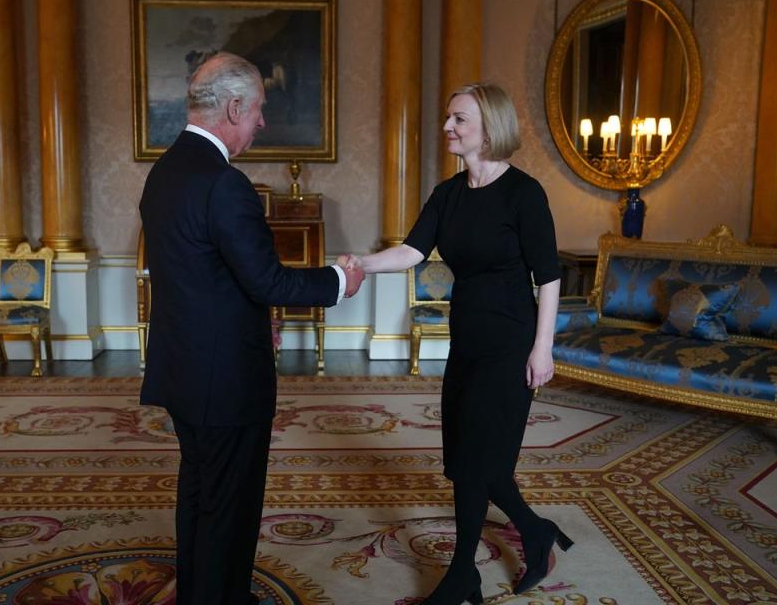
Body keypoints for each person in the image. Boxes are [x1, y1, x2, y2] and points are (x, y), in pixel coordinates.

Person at [138, 52, 364, 605]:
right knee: (229, 510)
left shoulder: (164, 173)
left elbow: (205, 281)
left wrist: (253, 321)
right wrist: (340, 280)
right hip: (226, 382)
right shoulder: (225, 184)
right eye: (259, 108)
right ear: (235, 106)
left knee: (199, 496)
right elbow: (268, 282)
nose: (262, 121)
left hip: (183, 369)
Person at [340, 82, 571, 603]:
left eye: (459, 119)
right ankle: (535, 531)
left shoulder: (524, 193)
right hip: (465, 341)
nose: (448, 127)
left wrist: (543, 348)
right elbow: (411, 251)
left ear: (489, 127)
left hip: (512, 342)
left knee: (477, 463)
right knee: (469, 460)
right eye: (449, 118)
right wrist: (358, 265)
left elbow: (550, 277)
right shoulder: (448, 193)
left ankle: (462, 572)